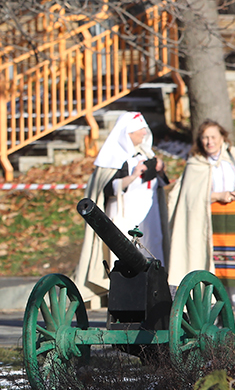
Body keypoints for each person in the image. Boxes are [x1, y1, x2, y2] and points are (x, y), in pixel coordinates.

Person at [167, 119, 235, 331]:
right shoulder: (196, 162)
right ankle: (217, 314)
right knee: (216, 267)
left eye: (213, 137)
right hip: (211, 222)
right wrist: (217, 195)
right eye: (205, 138)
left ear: (222, 138)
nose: (209, 142)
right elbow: (188, 196)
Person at [73, 112, 170, 308]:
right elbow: (108, 189)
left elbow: (159, 185)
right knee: (126, 254)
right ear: (128, 133)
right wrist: (134, 176)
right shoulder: (115, 159)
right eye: (139, 130)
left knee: (152, 251)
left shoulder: (146, 155)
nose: (144, 133)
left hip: (149, 216)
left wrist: (159, 169)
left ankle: (154, 297)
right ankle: (124, 299)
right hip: (124, 213)